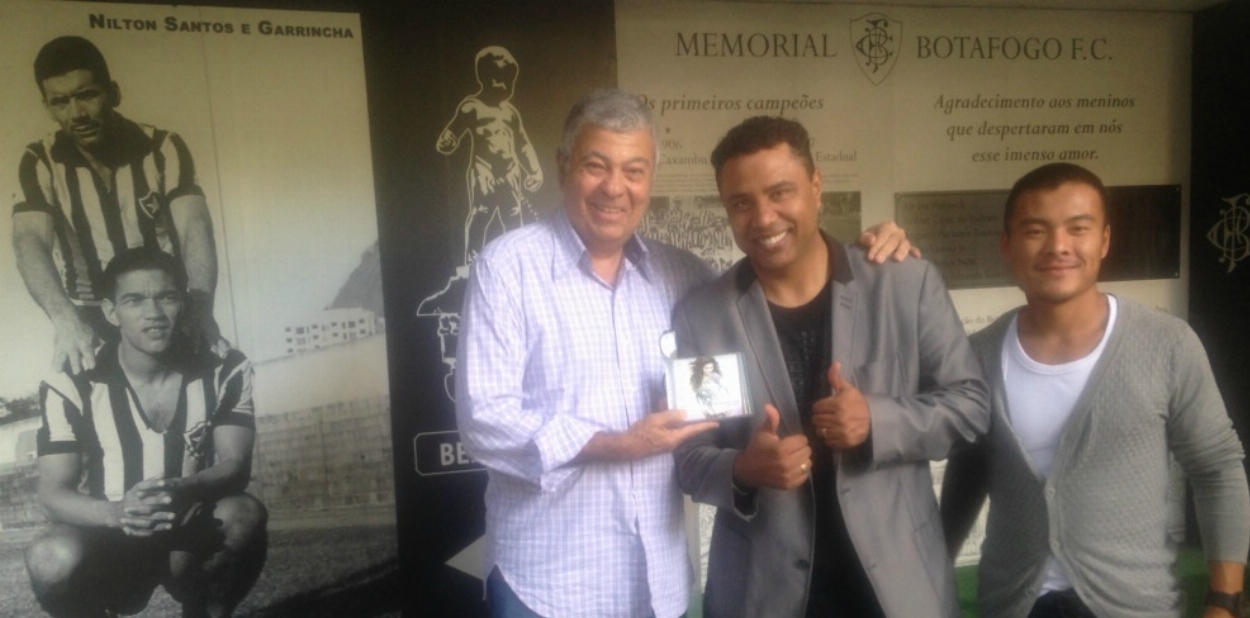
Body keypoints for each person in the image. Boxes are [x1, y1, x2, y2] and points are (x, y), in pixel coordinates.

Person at [455, 91, 917, 618]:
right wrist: (617, 445)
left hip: (659, 585)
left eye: (634, 170)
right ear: (564, 168)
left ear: (651, 179)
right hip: (548, 586)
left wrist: (864, 253)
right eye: (595, 166)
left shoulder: (685, 277)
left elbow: (786, 274)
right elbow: (485, 421)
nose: (614, 187)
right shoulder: (508, 269)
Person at [671, 116, 990, 618]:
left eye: (781, 192)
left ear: (817, 187)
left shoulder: (903, 284)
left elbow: (970, 406)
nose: (764, 217)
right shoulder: (703, 315)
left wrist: (877, 420)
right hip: (764, 594)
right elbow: (690, 458)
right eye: (741, 203)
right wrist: (743, 469)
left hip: (897, 588)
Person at [940, 162, 1250, 618]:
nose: (1058, 246)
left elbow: (1217, 469)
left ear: (1104, 240)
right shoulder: (977, 356)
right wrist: (930, 577)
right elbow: (966, 479)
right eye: (1035, 231)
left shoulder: (1166, 344)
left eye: (1078, 228)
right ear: (1006, 245)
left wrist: (1225, 602)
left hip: (1134, 606)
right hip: (1013, 604)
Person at [24, 247, 267, 618]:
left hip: (187, 532)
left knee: (243, 514)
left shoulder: (223, 368)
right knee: (50, 556)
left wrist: (183, 488)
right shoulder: (72, 381)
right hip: (109, 544)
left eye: (166, 297)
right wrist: (118, 512)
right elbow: (52, 495)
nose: (153, 313)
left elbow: (236, 465)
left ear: (184, 303)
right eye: (134, 300)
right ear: (111, 312)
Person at [13, 35, 219, 376]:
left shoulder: (163, 148)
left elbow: (194, 226)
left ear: (113, 92)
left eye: (87, 95)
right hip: (90, 317)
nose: (77, 114)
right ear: (47, 107)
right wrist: (65, 320)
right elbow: (28, 241)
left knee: (203, 390)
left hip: (161, 310)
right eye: (60, 102)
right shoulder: (39, 160)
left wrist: (200, 309)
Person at [436, 45, 544, 264]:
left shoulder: (510, 112)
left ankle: (517, 259)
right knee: (481, 212)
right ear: (483, 78)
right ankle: (472, 260)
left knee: (513, 213)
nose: (505, 86)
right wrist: (448, 139)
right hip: (483, 169)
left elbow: (523, 143)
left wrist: (535, 170)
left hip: (510, 170)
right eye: (499, 79)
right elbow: (454, 130)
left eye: (510, 81)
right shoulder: (472, 107)